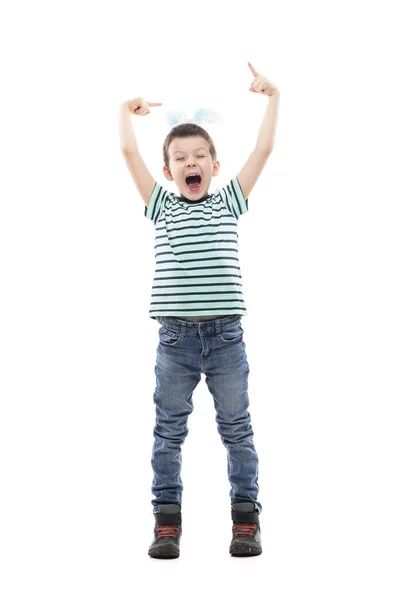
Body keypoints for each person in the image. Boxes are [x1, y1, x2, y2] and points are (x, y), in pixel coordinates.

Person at [119, 62, 280, 558]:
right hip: (175, 341)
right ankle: (167, 522)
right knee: (168, 431)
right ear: (169, 171)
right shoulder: (161, 205)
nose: (192, 163)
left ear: (214, 165)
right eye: (180, 158)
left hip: (227, 339)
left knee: (237, 429)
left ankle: (246, 520)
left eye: (200, 156)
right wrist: (124, 111)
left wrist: (274, 97)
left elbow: (264, 149)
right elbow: (128, 150)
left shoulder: (229, 199)